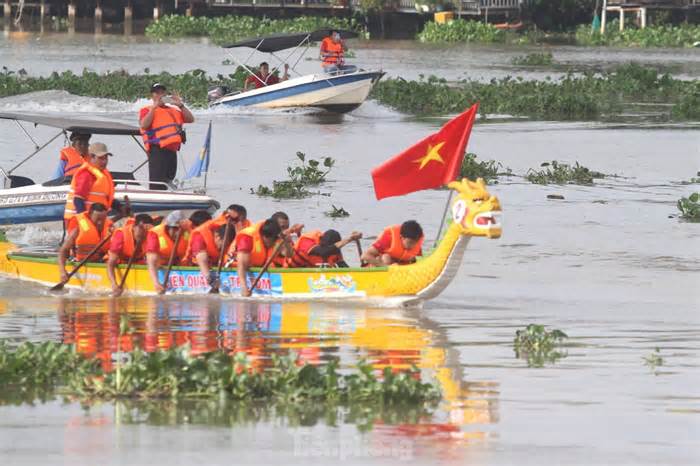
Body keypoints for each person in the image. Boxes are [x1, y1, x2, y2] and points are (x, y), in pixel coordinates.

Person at [139, 82, 195, 190]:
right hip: (157, 149)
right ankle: (156, 200)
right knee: (157, 184)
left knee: (169, 179)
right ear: (152, 95)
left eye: (162, 92)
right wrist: (154, 108)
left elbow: (190, 119)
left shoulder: (174, 110)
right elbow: (144, 125)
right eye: (157, 93)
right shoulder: (147, 110)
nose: (160, 95)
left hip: (172, 150)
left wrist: (181, 105)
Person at [64, 143, 120, 224]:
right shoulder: (86, 174)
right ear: (92, 157)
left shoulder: (103, 174)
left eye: (106, 158)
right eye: (101, 158)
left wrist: (120, 207)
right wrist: (84, 221)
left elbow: (104, 198)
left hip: (95, 219)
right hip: (77, 220)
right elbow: (78, 200)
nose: (104, 161)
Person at [57, 203, 112, 283]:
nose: (100, 223)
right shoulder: (79, 228)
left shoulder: (109, 227)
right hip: (79, 261)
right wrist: (62, 272)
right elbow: (63, 250)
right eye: (97, 219)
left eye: (103, 219)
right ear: (90, 215)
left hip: (99, 261)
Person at [106, 214, 155, 297]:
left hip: (138, 262)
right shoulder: (121, 234)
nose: (143, 233)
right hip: (120, 262)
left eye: (146, 230)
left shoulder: (151, 235)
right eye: (141, 228)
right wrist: (114, 284)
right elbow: (110, 263)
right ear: (134, 226)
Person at [234, 218, 285, 297]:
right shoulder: (247, 237)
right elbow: (241, 265)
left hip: (258, 265)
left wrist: (287, 242)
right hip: (238, 267)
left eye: (276, 240)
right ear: (264, 236)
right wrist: (244, 287)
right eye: (272, 241)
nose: (274, 243)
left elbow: (289, 255)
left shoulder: (275, 237)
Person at [146, 210, 192, 293]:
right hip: (159, 265)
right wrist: (156, 283)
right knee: (153, 258)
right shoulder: (154, 233)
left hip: (179, 264)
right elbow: (151, 259)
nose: (177, 233)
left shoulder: (188, 232)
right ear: (168, 227)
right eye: (174, 229)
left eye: (179, 230)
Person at [188, 215, 235, 287]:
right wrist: (209, 278)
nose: (223, 248)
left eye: (227, 245)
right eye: (223, 244)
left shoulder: (227, 242)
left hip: (214, 266)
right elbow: (201, 259)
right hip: (195, 267)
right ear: (217, 236)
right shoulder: (199, 236)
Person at [287, 229, 362, 268]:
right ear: (321, 240)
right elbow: (323, 252)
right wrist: (350, 239)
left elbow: (342, 265)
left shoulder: (334, 250)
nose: (330, 253)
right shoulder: (307, 240)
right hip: (289, 271)